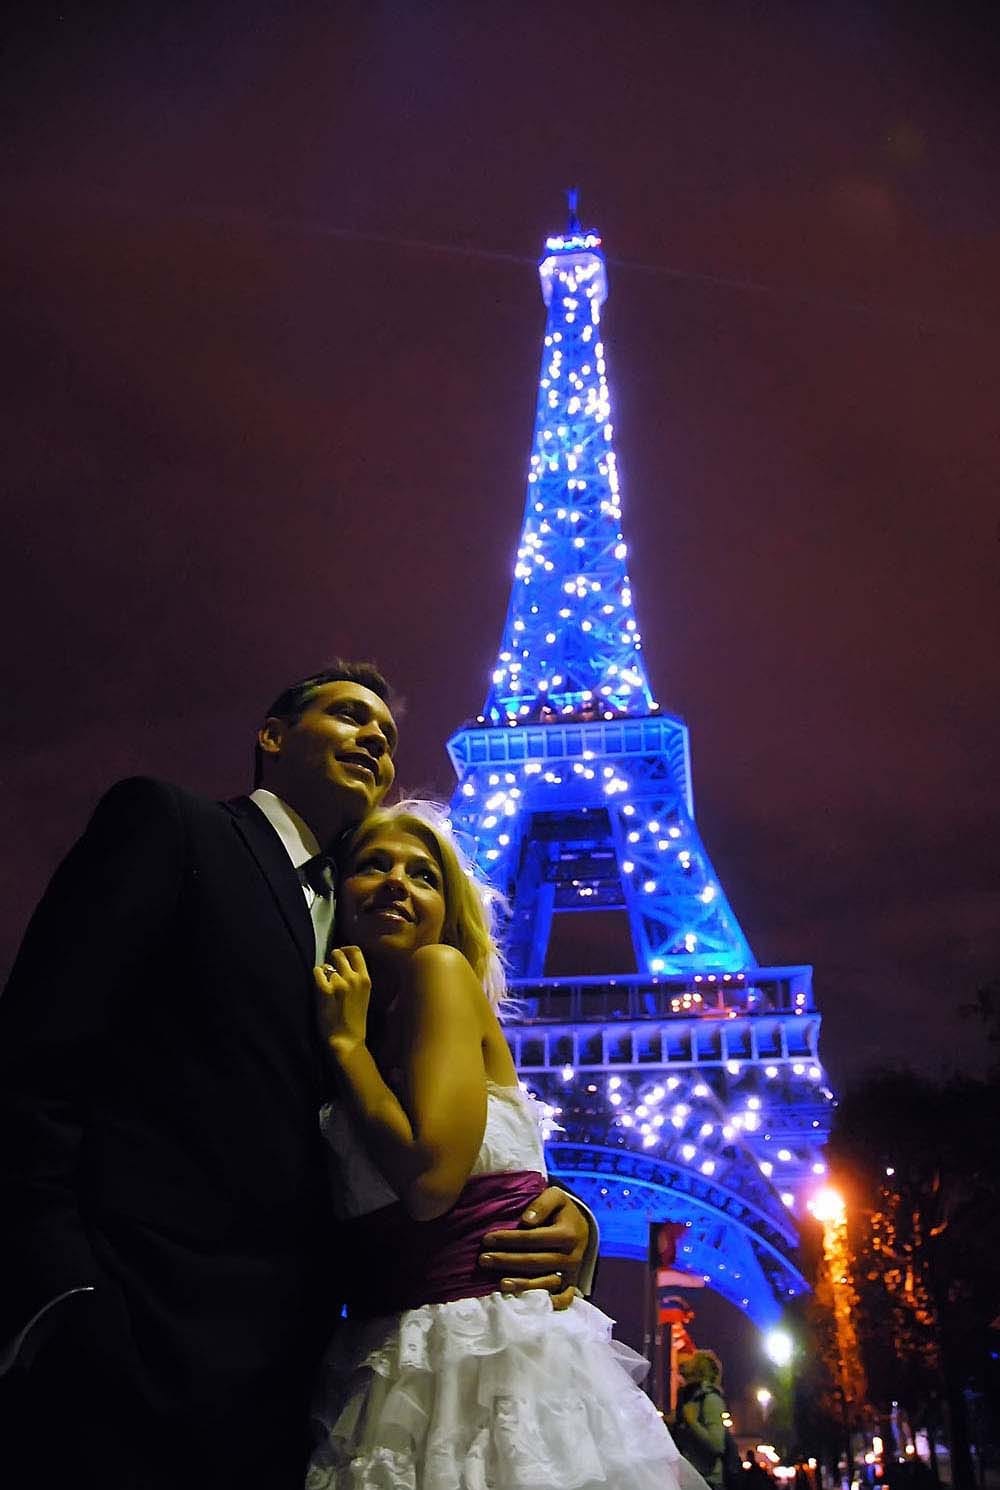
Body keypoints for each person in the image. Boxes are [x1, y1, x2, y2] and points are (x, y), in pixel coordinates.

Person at [0, 663, 594, 1490]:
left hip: (301, 1390)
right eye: (348, 716)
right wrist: (58, 1295)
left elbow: (436, 1145)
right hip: (136, 1344)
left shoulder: (381, 971)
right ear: (273, 736)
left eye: (387, 736)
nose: (374, 738)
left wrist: (550, 1211)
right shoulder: (174, 828)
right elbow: (37, 1056)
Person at [305, 800, 712, 1490]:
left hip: (481, 1363)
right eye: (374, 864)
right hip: (392, 1359)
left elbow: (433, 1184)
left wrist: (347, 1047)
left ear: (450, 913)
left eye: (424, 874)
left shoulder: (437, 972)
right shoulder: (349, 1025)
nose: (398, 881)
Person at [670, 1350, 729, 1490]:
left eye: (691, 1362)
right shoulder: (691, 1398)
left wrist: (692, 1423)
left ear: (699, 1370)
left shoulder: (709, 1399)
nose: (684, 1365)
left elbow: (717, 1445)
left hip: (706, 1481)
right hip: (692, 1479)